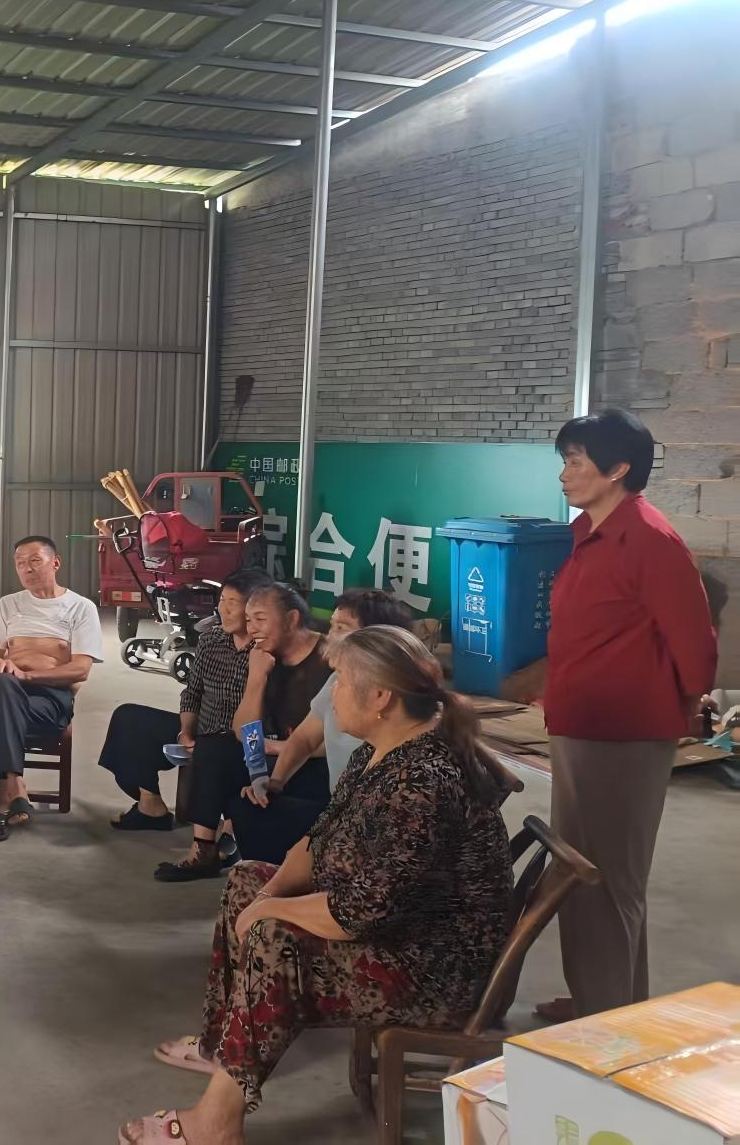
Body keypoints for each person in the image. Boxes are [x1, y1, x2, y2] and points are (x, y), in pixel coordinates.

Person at [124, 626, 515, 1144]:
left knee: (276, 937)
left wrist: (270, 913)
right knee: (246, 879)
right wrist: (265, 898)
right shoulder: (377, 751)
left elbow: (359, 914)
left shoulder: (424, 781)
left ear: (381, 697)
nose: (332, 696)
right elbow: (315, 842)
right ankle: (226, 1049)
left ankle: (217, 1121)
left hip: (430, 970)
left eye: (342, 683)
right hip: (396, 932)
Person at [537, 409, 716, 1022]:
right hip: (580, 723)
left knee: (607, 879)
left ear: (617, 469)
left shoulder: (648, 539)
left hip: (623, 735)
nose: (565, 473)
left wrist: (685, 706)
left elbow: (695, 643)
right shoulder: (591, 532)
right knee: (580, 872)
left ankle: (607, 1018)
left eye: (575, 461)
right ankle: (602, 999)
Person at [157, 582, 329, 883]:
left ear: (292, 619)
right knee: (214, 747)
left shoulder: (329, 658)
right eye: (249, 620)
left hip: (317, 760)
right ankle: (204, 850)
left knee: (250, 794)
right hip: (275, 754)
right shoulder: (264, 656)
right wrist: (257, 678)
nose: (252, 628)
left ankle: (259, 863)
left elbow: (341, 738)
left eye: (260, 619)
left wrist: (277, 748)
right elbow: (243, 731)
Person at [230, 588, 414, 866]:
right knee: (252, 805)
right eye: (332, 626)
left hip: (366, 819)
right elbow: (303, 739)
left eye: (342, 628)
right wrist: (275, 783)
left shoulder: (396, 700)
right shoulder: (337, 679)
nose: (331, 636)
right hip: (337, 806)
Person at [98, 568, 272, 836]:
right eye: (222, 600)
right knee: (128, 718)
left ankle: (227, 830)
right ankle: (150, 806)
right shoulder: (212, 638)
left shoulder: (267, 651)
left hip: (239, 741)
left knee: (221, 753)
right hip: (202, 730)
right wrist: (186, 732)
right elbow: (193, 692)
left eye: (233, 603)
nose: (223, 609)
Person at [0, 536, 103, 844]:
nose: (27, 569)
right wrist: (1, 668)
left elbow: (80, 670)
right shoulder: (9, 604)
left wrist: (27, 676)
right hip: (8, 692)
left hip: (51, 701)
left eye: (35, 561)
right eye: (20, 563)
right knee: (1, 682)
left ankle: (2, 800)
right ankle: (13, 790)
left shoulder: (80, 608)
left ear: (55, 563)